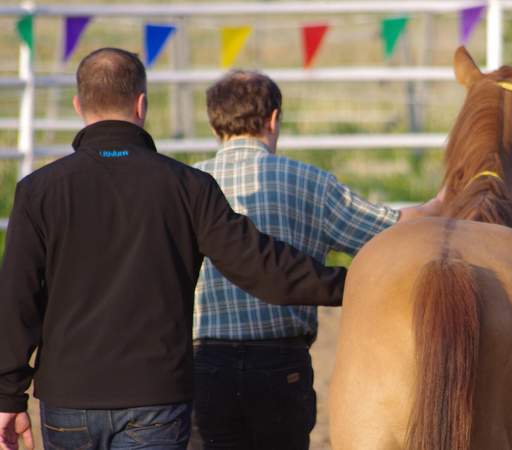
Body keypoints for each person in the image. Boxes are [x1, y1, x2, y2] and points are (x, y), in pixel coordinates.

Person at [0, 48, 348, 450]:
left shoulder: (38, 191)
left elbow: (17, 298)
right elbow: (261, 267)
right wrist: (349, 285)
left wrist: (9, 394)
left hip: (68, 396)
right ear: (141, 104)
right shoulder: (188, 187)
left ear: (79, 106)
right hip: (156, 397)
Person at [189, 70, 442, 450]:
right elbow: (388, 231)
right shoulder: (311, 182)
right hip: (280, 364)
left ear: (214, 125)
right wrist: (442, 203)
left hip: (203, 363)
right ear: (274, 119)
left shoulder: (187, 184)